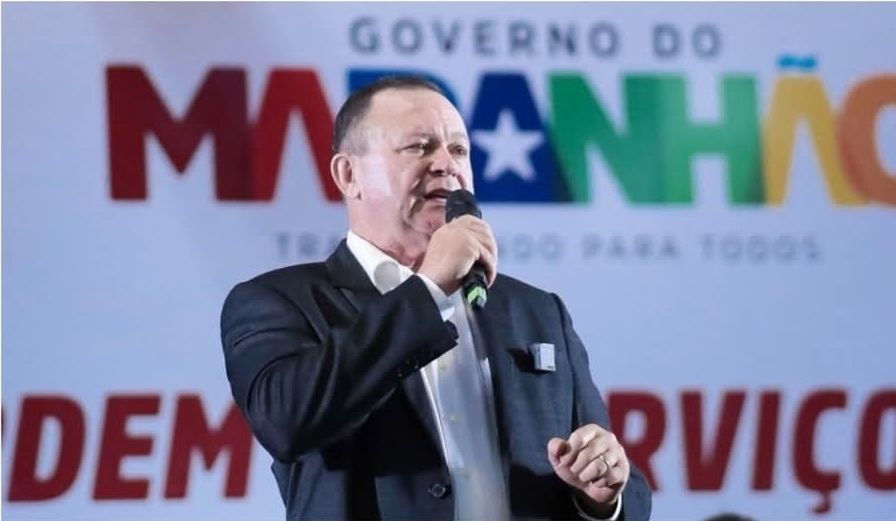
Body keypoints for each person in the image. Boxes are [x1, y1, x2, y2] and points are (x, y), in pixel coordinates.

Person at [219, 75, 653, 520]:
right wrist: (428, 288)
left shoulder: (538, 312)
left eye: (459, 150)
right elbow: (287, 421)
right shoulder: (279, 302)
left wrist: (601, 496)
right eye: (419, 147)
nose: (447, 164)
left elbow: (626, 492)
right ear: (349, 175)